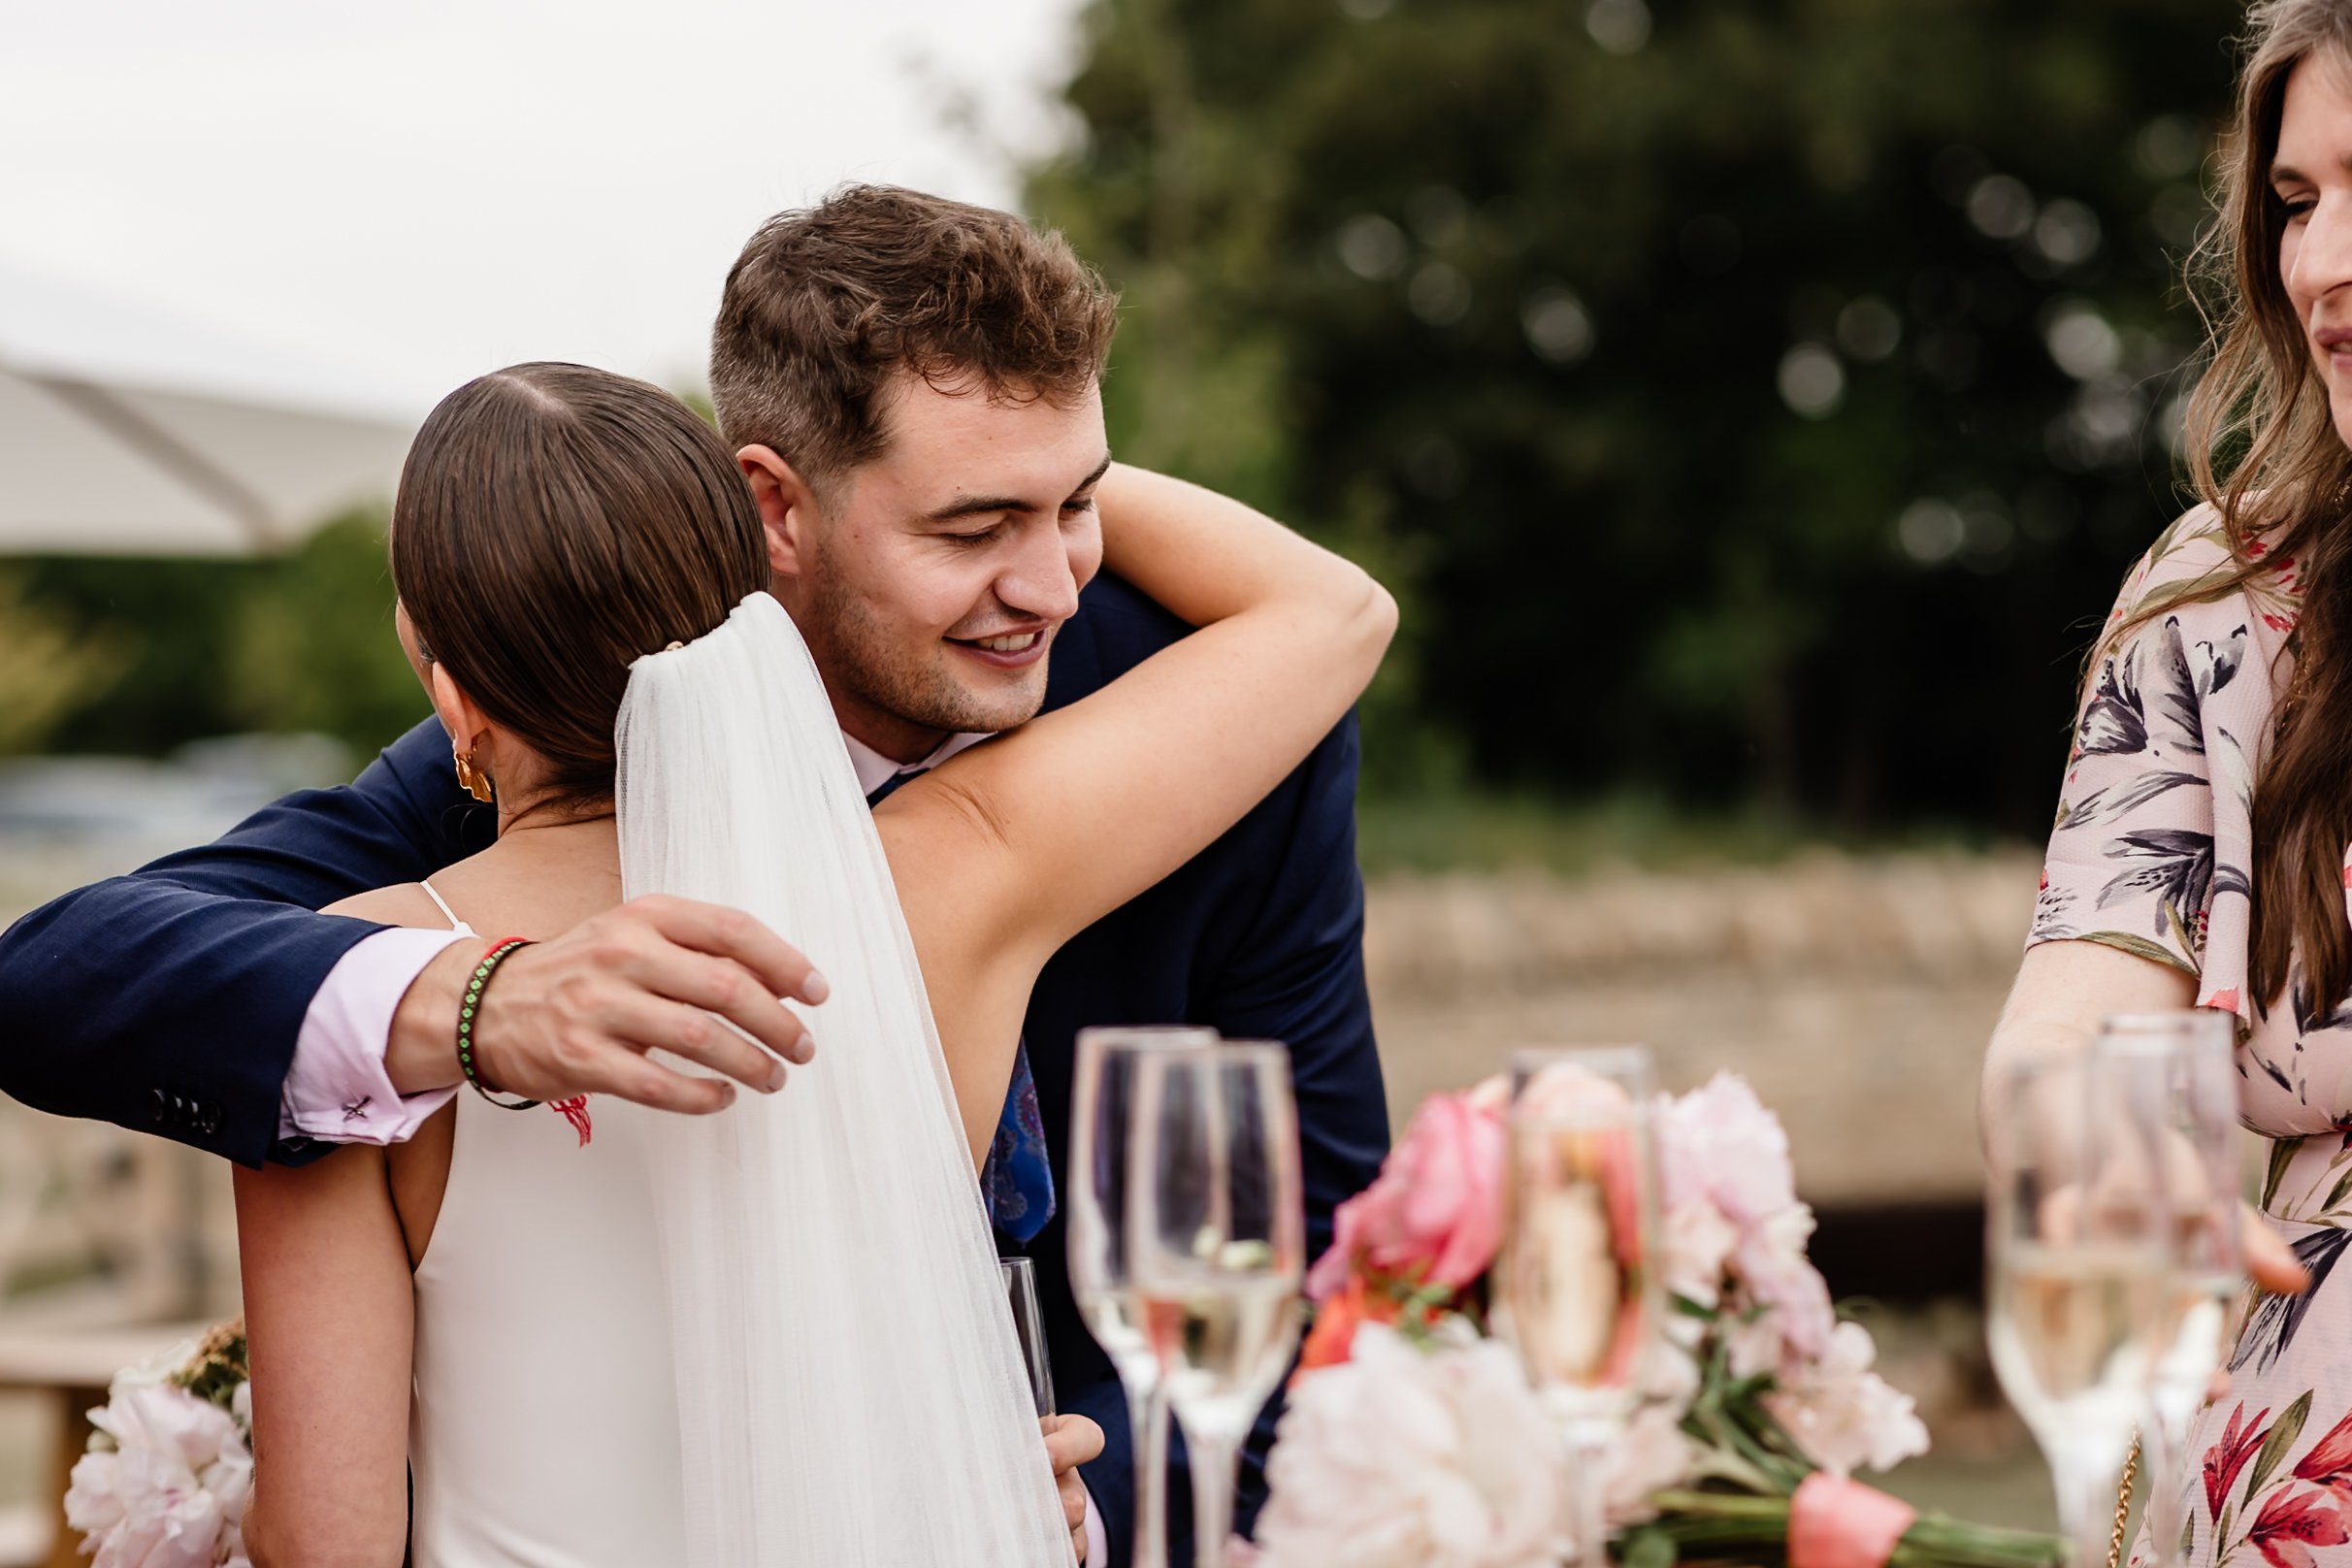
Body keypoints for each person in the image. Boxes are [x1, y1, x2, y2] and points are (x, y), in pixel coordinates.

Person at [0, 187, 1393, 1564]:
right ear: (772, 507)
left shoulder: (1196, 716)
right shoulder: (944, 853)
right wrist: (478, 1003)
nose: (1053, 586)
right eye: (973, 528)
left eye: (1078, 502)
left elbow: (1325, 1246)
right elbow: (62, 970)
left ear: (446, 669)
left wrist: (1015, 1509)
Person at [1984, 5, 2352, 1561]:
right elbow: (2068, 1030)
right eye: (2299, 200)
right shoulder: (2228, 603)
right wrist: (2104, 1157)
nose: (2323, 262)